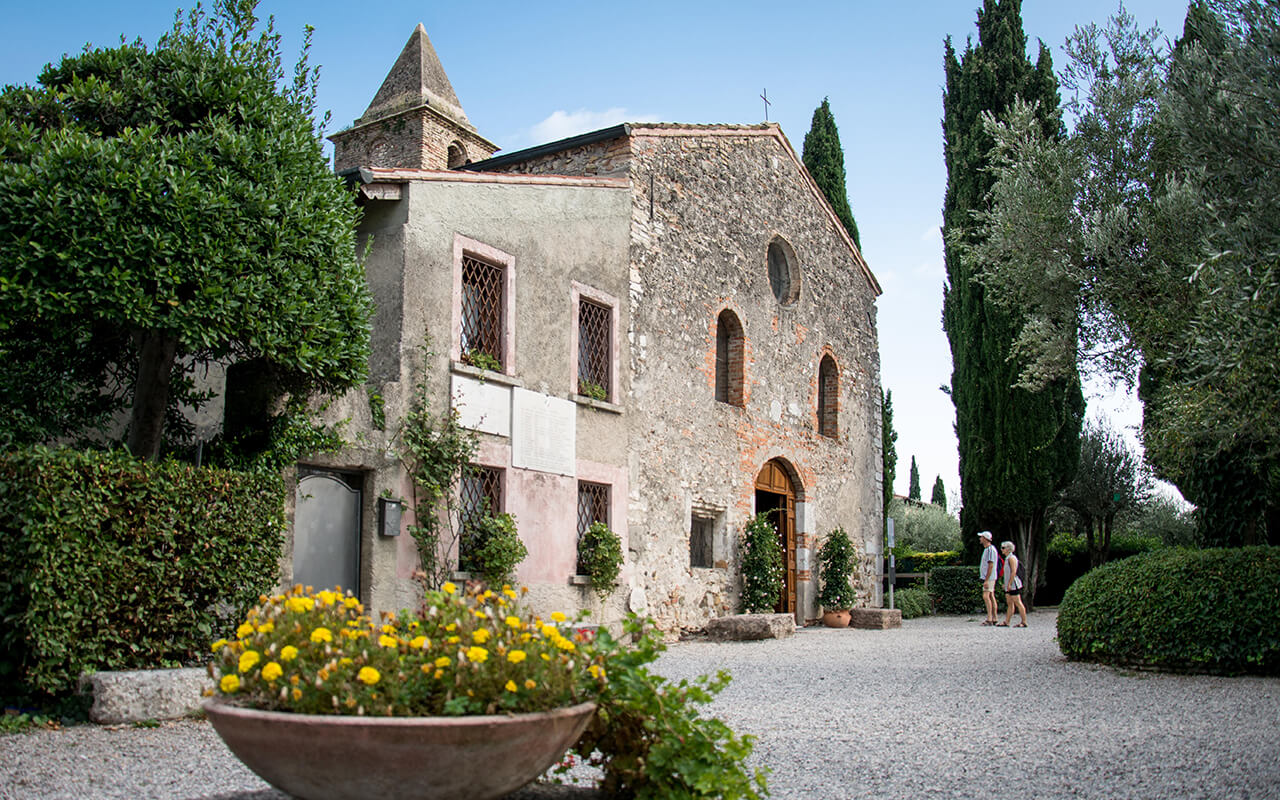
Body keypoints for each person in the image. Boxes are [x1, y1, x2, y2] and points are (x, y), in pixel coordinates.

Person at [997, 541, 1027, 627]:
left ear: (1008, 549)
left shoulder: (1011, 558)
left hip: (1014, 584)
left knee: (1018, 602)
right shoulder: (1007, 559)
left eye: (1003, 548)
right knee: (1010, 602)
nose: (1002, 550)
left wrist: (1009, 584)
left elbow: (1013, 571)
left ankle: (1024, 621)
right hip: (1009, 584)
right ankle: (1007, 621)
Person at [977, 531, 999, 625]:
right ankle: (994, 617)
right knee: (991, 596)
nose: (980, 539)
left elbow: (990, 565)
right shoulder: (988, 549)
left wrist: (986, 579)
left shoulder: (990, 550)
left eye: (981, 537)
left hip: (989, 577)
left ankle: (989, 618)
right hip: (989, 577)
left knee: (986, 596)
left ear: (985, 538)